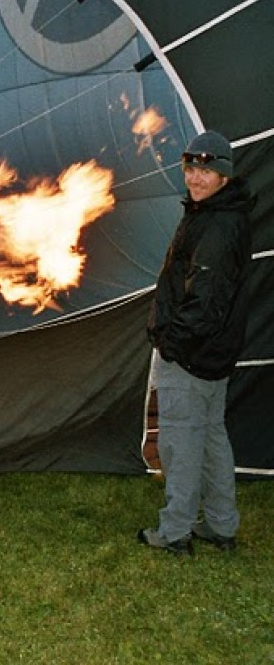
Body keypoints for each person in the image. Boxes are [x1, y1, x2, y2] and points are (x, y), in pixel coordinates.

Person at [139, 131, 254, 556]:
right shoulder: (219, 215)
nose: (195, 177)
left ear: (224, 175)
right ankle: (222, 526)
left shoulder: (217, 224)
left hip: (191, 354)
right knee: (210, 438)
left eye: (206, 170)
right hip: (214, 355)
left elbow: (205, 299)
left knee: (180, 444)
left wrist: (172, 343)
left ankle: (175, 532)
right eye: (191, 168)